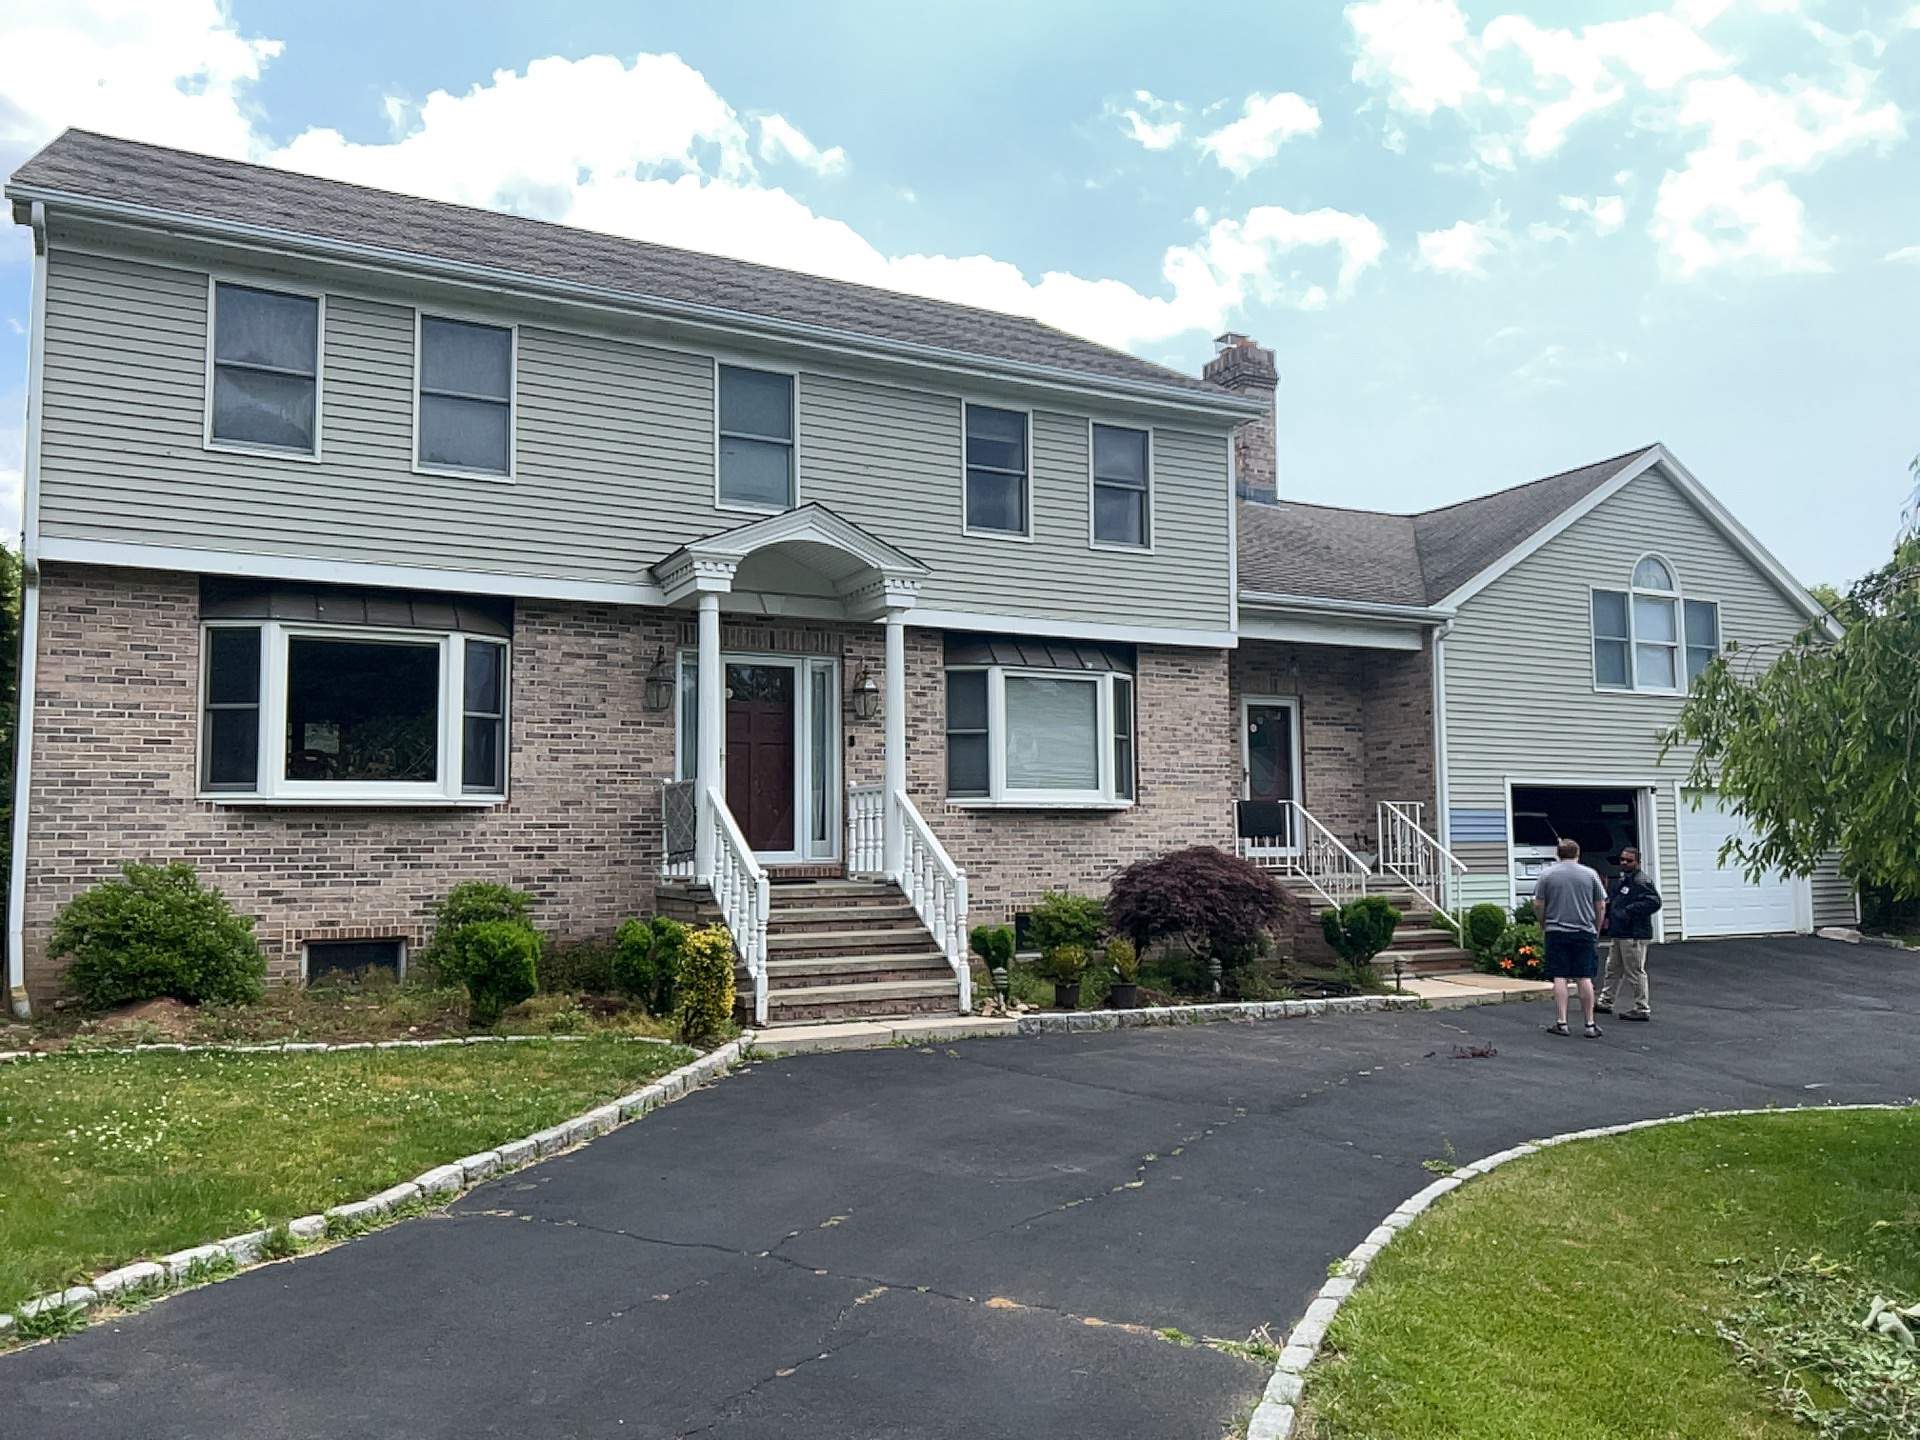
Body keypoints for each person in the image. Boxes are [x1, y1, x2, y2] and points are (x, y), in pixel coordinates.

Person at [1532, 837, 1608, 1038]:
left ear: (1558, 854)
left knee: (1560, 976)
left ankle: (1562, 1022)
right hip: (1584, 930)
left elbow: (1538, 904)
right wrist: (1597, 927)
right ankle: (1590, 1024)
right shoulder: (1590, 874)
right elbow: (1600, 905)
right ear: (1578, 854)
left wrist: (1543, 923)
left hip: (1556, 931)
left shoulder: (1547, 875)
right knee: (1584, 977)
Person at [1597, 847, 1661, 1022]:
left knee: (1635, 971)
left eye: (1629, 860)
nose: (1624, 863)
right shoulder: (1624, 879)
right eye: (1622, 859)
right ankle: (1606, 1001)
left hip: (1634, 933)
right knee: (1612, 968)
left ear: (1638, 862)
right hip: (1619, 932)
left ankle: (1642, 1007)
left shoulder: (1641, 881)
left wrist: (1629, 911)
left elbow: (1654, 902)